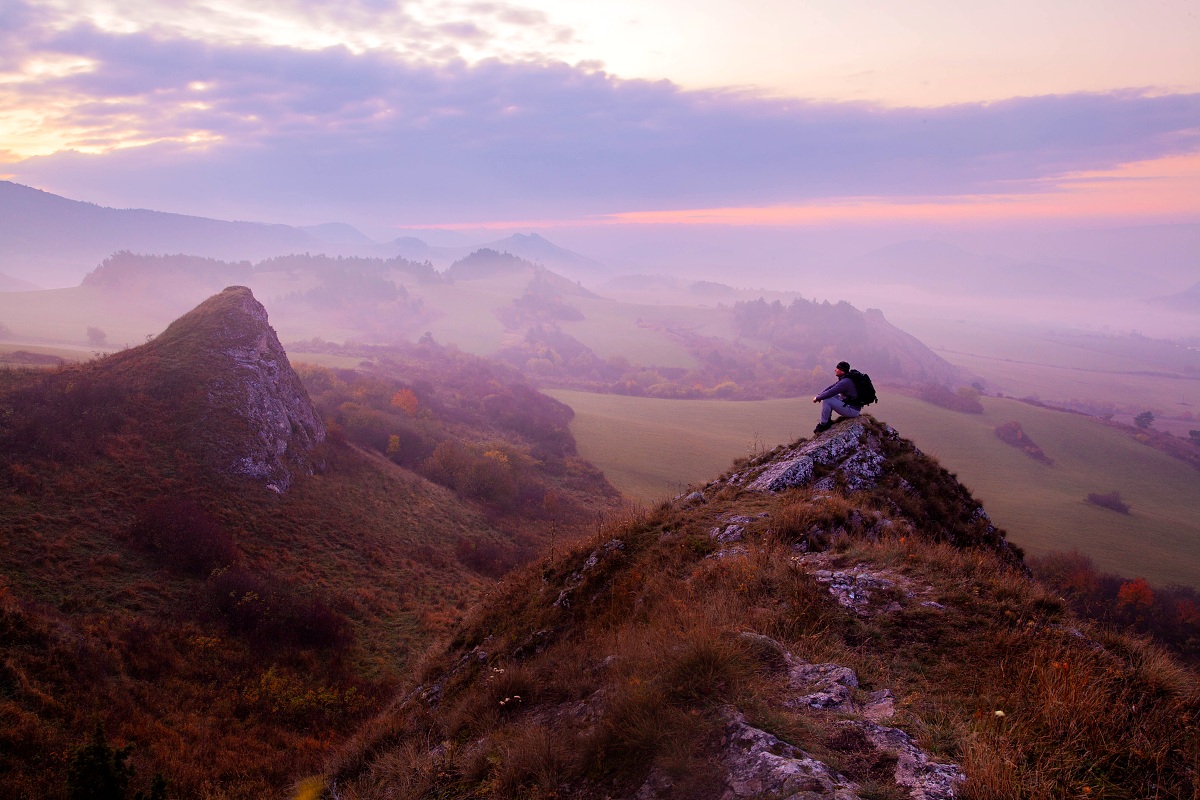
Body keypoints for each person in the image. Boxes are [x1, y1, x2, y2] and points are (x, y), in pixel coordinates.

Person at [812, 361, 860, 434]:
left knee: (827, 399)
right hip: (851, 406)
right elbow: (831, 387)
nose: (835, 370)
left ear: (842, 370)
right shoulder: (846, 379)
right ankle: (828, 420)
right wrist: (820, 395)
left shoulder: (845, 382)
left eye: (837, 368)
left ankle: (824, 424)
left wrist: (818, 398)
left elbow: (831, 392)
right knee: (829, 396)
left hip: (852, 411)